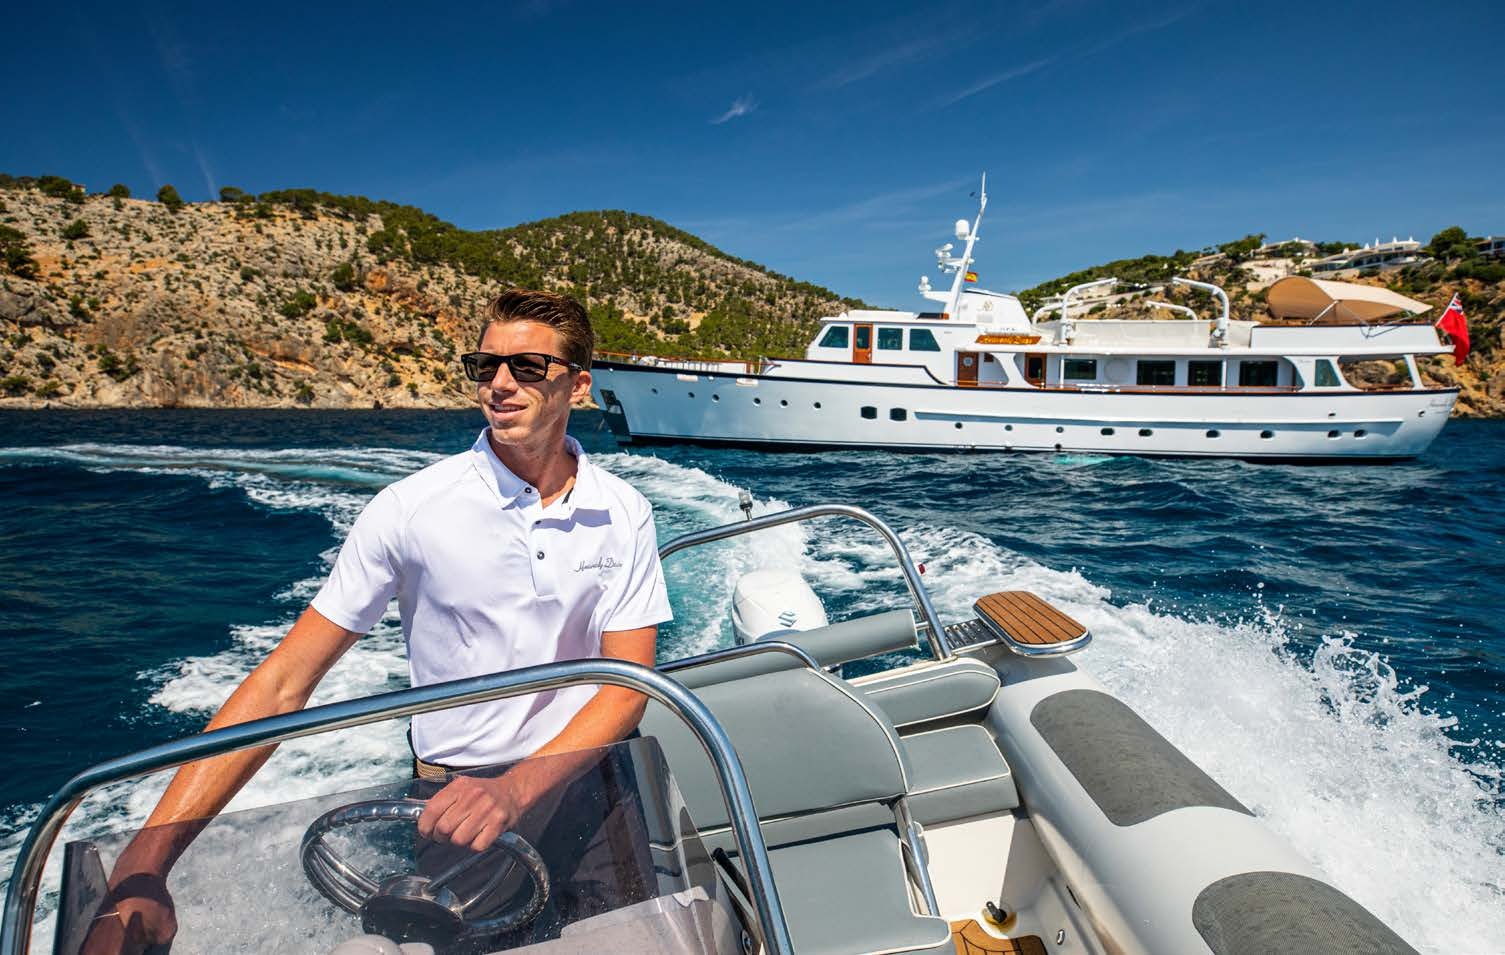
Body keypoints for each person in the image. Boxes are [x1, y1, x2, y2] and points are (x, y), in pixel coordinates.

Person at [85, 289, 673, 954]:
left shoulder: (623, 510)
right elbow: (282, 683)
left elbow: (625, 685)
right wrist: (144, 864)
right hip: (459, 802)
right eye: (486, 366)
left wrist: (518, 789)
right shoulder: (410, 510)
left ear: (579, 385)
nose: (501, 384)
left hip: (594, 784)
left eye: (528, 367)